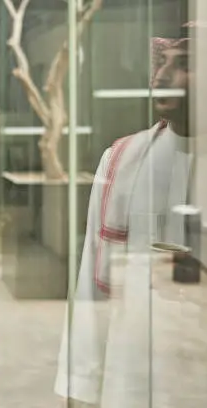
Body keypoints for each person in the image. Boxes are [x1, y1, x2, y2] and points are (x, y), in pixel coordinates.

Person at [54, 28, 207, 408]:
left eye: (184, 64)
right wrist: (80, 386)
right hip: (132, 371)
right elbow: (91, 284)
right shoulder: (121, 159)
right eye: (163, 62)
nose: (162, 77)